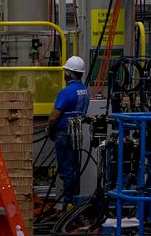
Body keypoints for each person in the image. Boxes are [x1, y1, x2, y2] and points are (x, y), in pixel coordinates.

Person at [49, 55, 90, 208]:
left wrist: (49, 128)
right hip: (76, 132)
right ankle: (74, 203)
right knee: (74, 168)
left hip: (64, 133)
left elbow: (54, 116)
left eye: (66, 71)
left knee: (66, 169)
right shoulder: (85, 90)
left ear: (70, 73)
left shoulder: (66, 92)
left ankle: (68, 205)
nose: (64, 73)